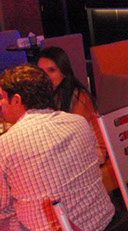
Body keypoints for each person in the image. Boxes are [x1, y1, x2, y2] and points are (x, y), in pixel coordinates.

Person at [0, 64, 115, 231]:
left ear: (17, 100)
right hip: (103, 220)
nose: (1, 104)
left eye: (2, 97)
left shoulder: (6, 145)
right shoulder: (78, 122)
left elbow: (2, 205)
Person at [36, 47, 116, 193]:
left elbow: (73, 137)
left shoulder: (78, 96)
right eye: (41, 72)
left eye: (51, 70)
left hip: (90, 150)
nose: (45, 77)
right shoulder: (46, 94)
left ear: (64, 72)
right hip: (64, 149)